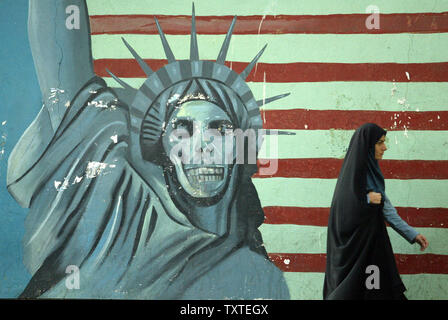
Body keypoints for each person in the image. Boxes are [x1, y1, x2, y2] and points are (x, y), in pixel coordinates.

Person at [6, 0, 290, 299]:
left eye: (220, 128)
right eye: (183, 129)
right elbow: (65, 84)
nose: (204, 145)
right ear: (162, 144)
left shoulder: (258, 277)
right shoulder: (121, 206)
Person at [323, 123, 429, 300]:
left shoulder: (373, 172)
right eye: (380, 142)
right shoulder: (352, 175)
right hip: (352, 252)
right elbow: (343, 207)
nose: (384, 147)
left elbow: (386, 208)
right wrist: (366, 200)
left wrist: (412, 234)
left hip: (373, 248)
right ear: (367, 145)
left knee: (377, 292)